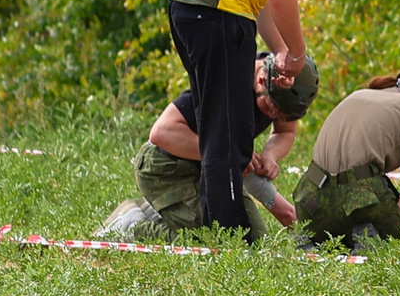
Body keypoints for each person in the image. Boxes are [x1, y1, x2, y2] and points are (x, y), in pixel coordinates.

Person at [167, 0, 383, 239]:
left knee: (220, 131)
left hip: (197, 9)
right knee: (230, 137)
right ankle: (231, 242)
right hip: (216, 11)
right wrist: (298, 55)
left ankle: (213, 233)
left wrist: (280, 50)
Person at [104, 55, 317, 239]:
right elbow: (161, 133)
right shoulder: (227, 83)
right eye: (273, 109)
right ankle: (133, 227)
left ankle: (159, 210)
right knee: (216, 241)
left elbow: (284, 132)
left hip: (215, 167)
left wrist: (270, 155)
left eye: (284, 115)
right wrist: (228, 151)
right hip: (167, 168)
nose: (274, 117)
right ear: (262, 81)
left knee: (251, 240)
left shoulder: (284, 83)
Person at [295, 64, 400, 245]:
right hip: (359, 204)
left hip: (309, 202)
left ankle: (314, 240)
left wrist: (393, 199)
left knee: (333, 239)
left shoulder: (358, 96)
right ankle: (366, 236)